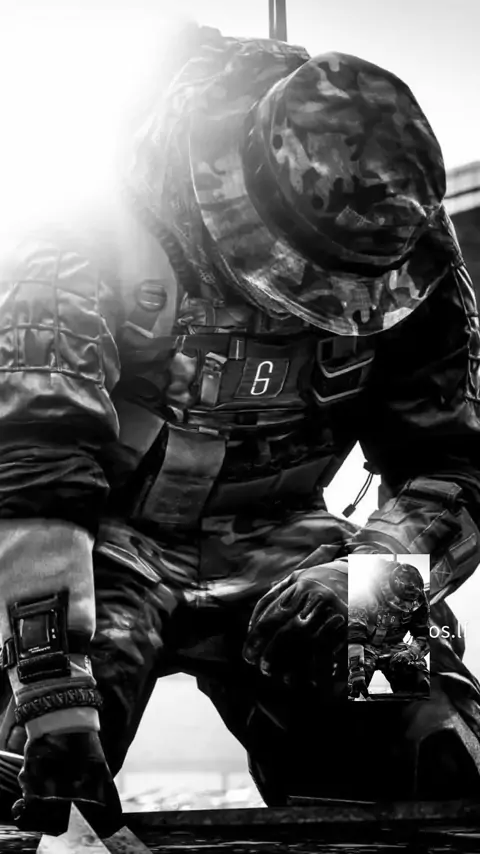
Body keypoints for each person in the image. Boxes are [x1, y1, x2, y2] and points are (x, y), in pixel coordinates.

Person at [1, 22, 480, 833]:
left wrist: (369, 583)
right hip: (97, 540)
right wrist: (53, 695)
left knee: (434, 751)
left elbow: (457, 466)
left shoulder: (405, 245)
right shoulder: (83, 221)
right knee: (29, 774)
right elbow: (33, 467)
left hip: (289, 544)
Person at [348, 560, 430, 699]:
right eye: (402, 602)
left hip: (394, 645)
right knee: (351, 685)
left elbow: (424, 635)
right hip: (363, 646)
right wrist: (356, 670)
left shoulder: (417, 596)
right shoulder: (364, 591)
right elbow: (354, 634)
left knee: (419, 678)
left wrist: (411, 653)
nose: (408, 607)